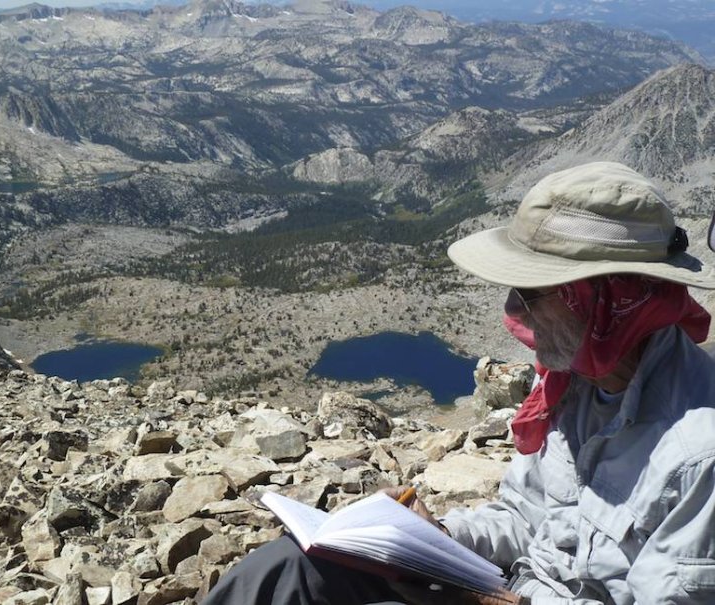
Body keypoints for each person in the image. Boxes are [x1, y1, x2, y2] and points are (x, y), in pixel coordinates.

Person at [201, 162, 715, 604]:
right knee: (289, 569)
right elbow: (525, 516)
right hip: (512, 589)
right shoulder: (575, 387)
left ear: (601, 302)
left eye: (530, 293)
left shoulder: (698, 455)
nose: (514, 312)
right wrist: (440, 537)